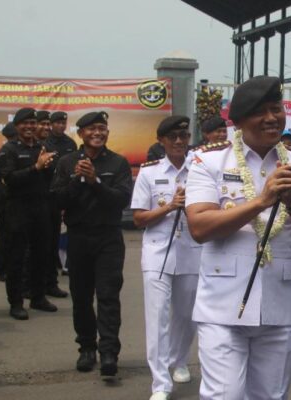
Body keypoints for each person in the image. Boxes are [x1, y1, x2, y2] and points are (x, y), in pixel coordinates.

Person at [185, 76, 291, 400]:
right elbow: (199, 226)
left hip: (278, 304)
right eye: (260, 111)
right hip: (222, 305)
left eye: (276, 108)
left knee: (271, 396)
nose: (271, 118)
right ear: (238, 121)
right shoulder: (208, 161)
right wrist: (261, 201)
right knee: (223, 396)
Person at [51, 111, 133, 379]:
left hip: (108, 238)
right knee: (82, 297)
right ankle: (86, 348)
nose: (98, 133)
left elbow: (120, 200)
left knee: (109, 296)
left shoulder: (118, 163)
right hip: (78, 237)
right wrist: (78, 179)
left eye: (103, 128)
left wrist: (95, 181)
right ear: (81, 133)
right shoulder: (66, 162)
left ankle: (109, 352)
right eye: (92, 129)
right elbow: (57, 200)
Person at [131, 116, 201, 400]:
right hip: (158, 252)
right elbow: (138, 218)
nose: (178, 141)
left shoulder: (199, 169)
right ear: (161, 141)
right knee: (158, 316)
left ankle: (179, 360)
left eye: (183, 136)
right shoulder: (149, 173)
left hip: (192, 251)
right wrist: (170, 207)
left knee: (187, 315)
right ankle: (160, 382)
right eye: (172, 137)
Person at [0, 108, 58, 320]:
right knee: (17, 256)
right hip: (17, 209)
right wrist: (36, 168)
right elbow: (9, 179)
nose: (30, 127)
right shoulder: (9, 150)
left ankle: (38, 297)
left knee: (41, 253)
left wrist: (48, 167)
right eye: (25, 123)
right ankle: (16, 302)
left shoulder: (42, 147)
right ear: (17, 126)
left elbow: (49, 177)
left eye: (33, 123)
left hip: (41, 207)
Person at [43, 111, 76, 296]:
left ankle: (54, 279)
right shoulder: (45, 144)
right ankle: (42, 282)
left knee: (59, 237)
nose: (61, 126)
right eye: (57, 123)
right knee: (45, 242)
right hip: (47, 196)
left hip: (65, 196)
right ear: (51, 124)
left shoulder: (70, 143)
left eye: (64, 123)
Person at [0, 122, 17, 282]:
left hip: (11, 201)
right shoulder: (6, 152)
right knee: (6, 237)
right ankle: (2, 270)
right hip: (7, 201)